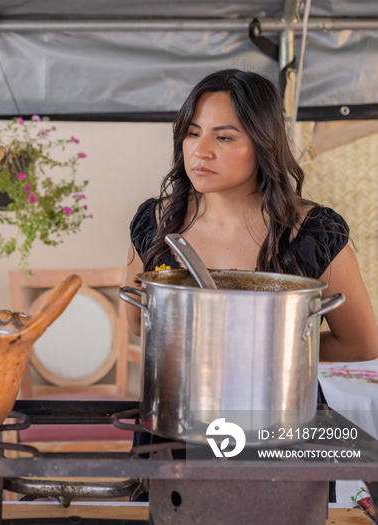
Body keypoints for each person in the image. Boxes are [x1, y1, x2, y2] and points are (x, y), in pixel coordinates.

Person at [125, 68, 378, 363]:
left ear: (262, 144)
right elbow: (136, 324)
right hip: (180, 401)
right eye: (193, 133)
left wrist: (263, 349)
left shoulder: (314, 232)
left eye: (223, 138)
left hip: (280, 403)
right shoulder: (155, 220)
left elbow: (361, 345)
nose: (201, 151)